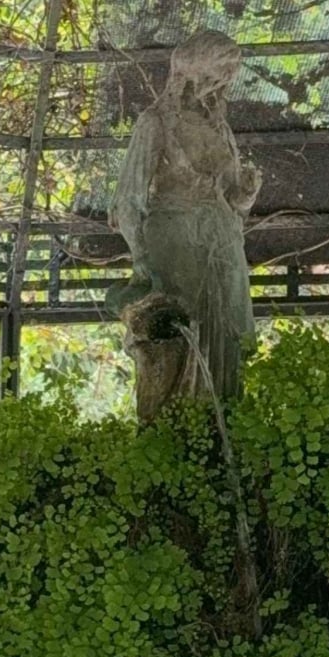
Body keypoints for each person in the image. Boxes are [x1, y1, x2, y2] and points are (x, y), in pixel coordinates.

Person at [108, 29, 261, 402]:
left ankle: (223, 419)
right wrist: (141, 261)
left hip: (221, 237)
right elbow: (128, 199)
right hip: (175, 238)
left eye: (231, 70)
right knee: (180, 332)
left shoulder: (220, 127)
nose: (227, 78)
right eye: (221, 68)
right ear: (194, 68)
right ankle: (176, 426)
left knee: (226, 336)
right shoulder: (155, 122)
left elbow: (230, 199)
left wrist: (244, 197)